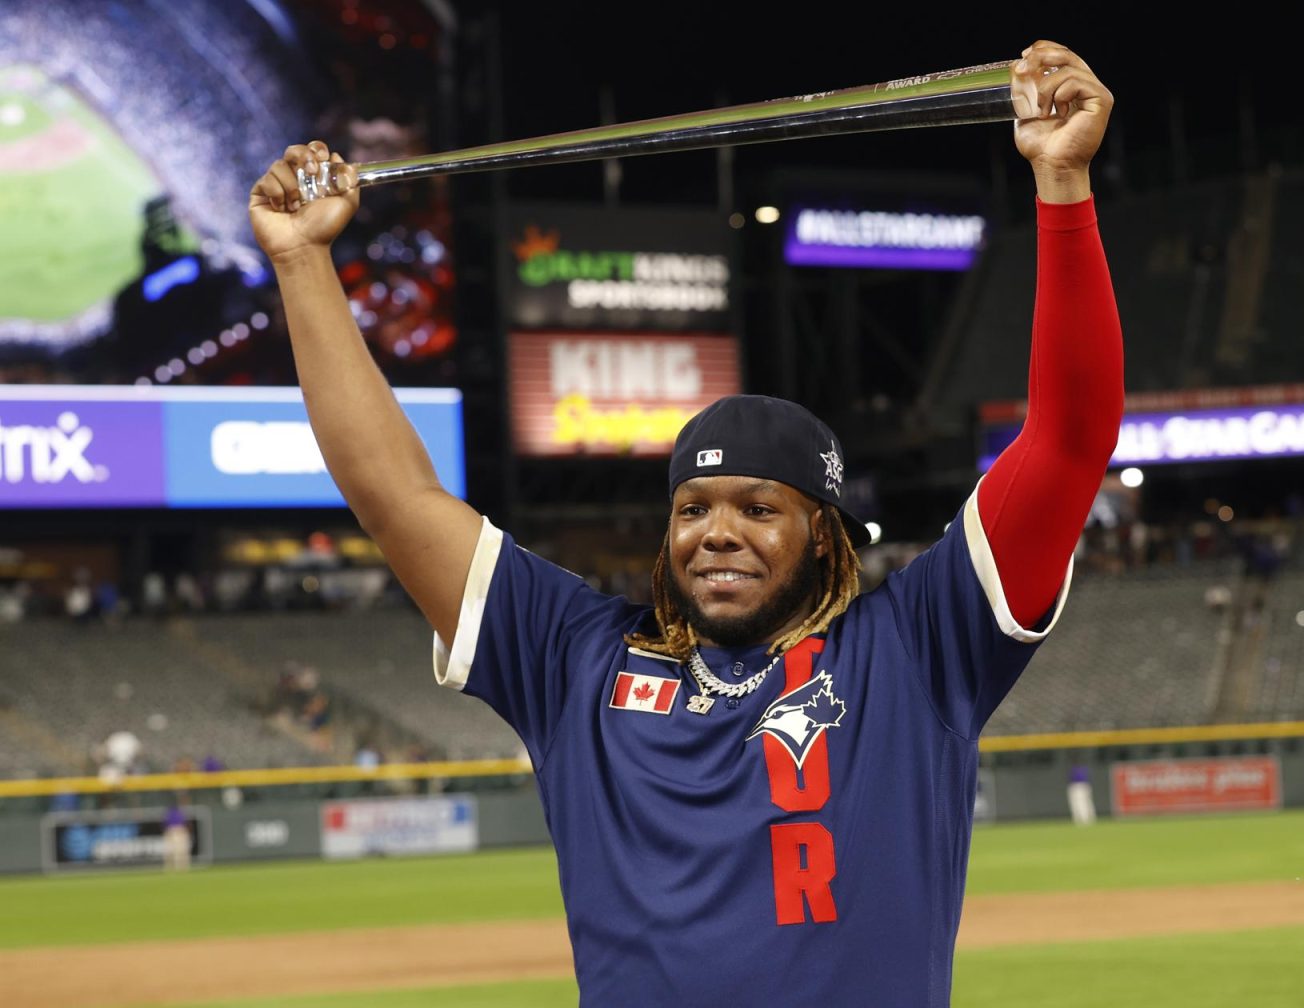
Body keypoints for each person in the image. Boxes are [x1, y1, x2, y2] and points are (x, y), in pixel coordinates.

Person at [250, 39, 1121, 1007]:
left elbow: (1069, 443)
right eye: (693, 508)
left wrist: (1063, 187)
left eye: (760, 509)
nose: (717, 532)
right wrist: (301, 266)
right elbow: (395, 495)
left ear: (825, 537)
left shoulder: (921, 649)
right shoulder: (574, 657)